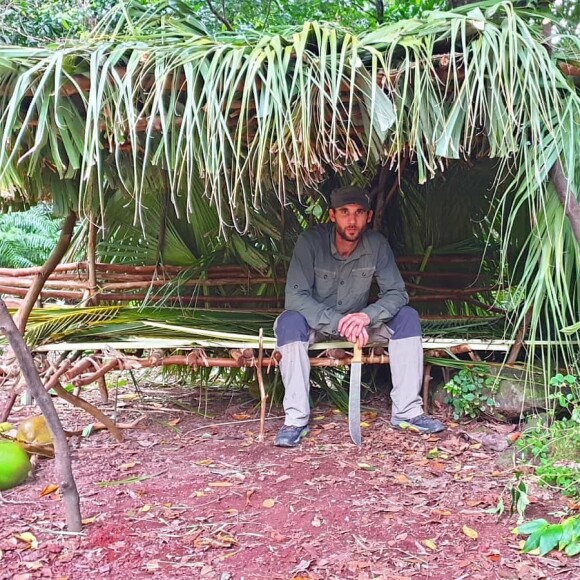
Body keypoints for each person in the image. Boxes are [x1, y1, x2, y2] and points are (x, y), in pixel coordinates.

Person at [274, 185, 445, 447]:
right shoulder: (311, 241)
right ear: (332, 215)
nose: (352, 220)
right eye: (344, 212)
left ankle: (407, 412)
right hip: (317, 324)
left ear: (368, 215)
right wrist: (339, 322)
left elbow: (397, 293)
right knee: (288, 322)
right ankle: (296, 420)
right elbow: (296, 297)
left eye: (359, 213)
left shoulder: (376, 244)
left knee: (407, 318)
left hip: (361, 325)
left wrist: (367, 316)